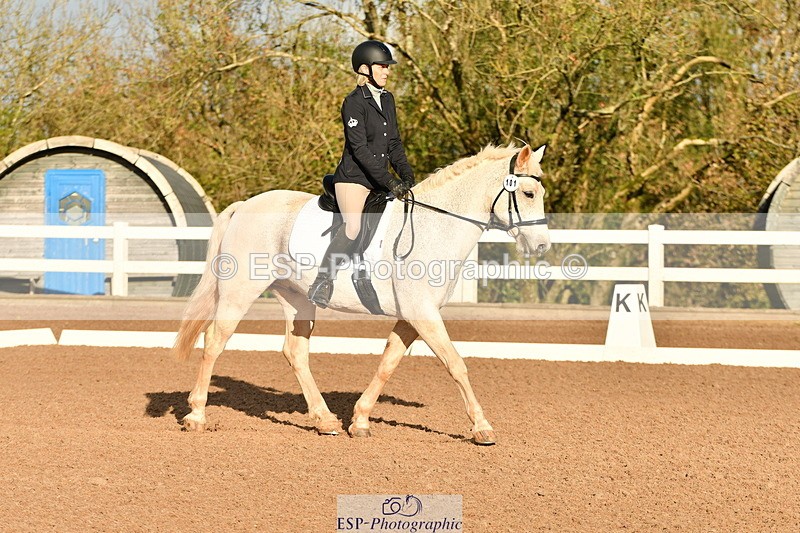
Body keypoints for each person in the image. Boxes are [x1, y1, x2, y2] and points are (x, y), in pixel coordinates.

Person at [308, 40, 415, 308]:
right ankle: (323, 281)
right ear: (365, 69)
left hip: (378, 179)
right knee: (353, 227)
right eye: (382, 66)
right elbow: (360, 149)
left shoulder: (387, 99)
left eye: (387, 67)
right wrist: (390, 180)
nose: (387, 71)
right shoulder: (353, 102)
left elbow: (393, 143)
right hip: (354, 178)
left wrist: (406, 174)